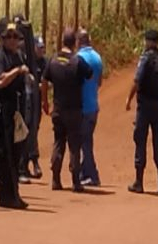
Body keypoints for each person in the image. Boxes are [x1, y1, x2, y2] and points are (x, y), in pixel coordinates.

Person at [125, 29, 158, 195]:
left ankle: (139, 182)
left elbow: (137, 81)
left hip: (145, 106)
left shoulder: (145, 58)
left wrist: (128, 99)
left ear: (148, 41)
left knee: (140, 140)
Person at [42, 28, 92, 192]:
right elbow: (90, 74)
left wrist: (45, 102)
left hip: (58, 108)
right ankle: (76, 181)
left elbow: (44, 81)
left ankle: (56, 179)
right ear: (75, 43)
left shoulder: (53, 60)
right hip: (74, 110)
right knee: (74, 145)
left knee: (58, 142)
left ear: (62, 41)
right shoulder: (77, 61)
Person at [0, 22, 30, 209]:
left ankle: (14, 193)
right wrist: (17, 71)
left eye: (16, 37)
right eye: (10, 36)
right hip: (5, 110)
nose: (14, 40)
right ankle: (4, 195)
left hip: (17, 110)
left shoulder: (18, 56)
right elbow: (0, 81)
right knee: (4, 153)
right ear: (3, 39)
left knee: (16, 153)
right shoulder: (0, 57)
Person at [76, 29, 103, 187]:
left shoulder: (78, 58)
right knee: (87, 140)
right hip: (93, 104)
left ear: (79, 42)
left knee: (84, 142)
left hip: (83, 106)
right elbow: (99, 82)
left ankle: (92, 174)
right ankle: (84, 173)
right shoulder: (97, 57)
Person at [23, 36, 46, 180]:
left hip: (36, 102)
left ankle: (33, 161)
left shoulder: (44, 62)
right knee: (26, 132)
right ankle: (30, 162)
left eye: (43, 48)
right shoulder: (27, 60)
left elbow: (47, 82)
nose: (42, 50)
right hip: (27, 101)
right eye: (39, 47)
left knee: (34, 131)